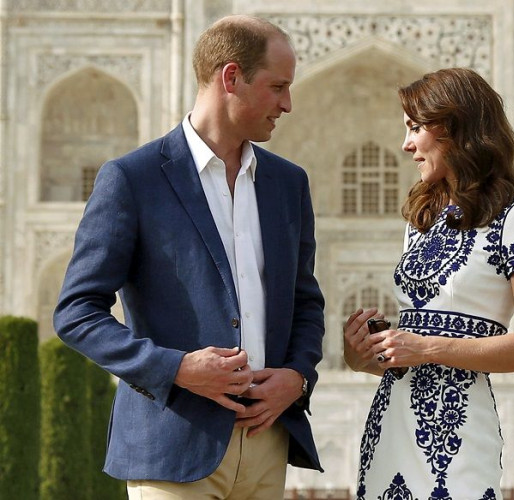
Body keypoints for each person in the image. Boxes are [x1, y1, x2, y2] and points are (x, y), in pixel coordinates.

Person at [54, 15, 325, 499]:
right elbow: (76, 313)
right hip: (174, 442)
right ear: (230, 77)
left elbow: (305, 301)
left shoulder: (288, 184)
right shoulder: (134, 179)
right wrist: (174, 368)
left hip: (266, 442)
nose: (288, 104)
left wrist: (299, 376)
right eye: (277, 86)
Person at [343, 68, 514, 499]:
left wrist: (426, 348)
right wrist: (361, 355)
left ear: (454, 128)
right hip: (392, 420)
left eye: (415, 129)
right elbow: (400, 355)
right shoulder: (420, 223)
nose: (407, 145)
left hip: (457, 431)